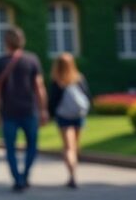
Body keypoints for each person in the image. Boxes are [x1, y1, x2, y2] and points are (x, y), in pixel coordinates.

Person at [0, 27, 48, 193]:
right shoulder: (32, 60)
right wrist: (43, 109)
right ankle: (25, 175)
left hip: (9, 111)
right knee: (32, 145)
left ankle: (18, 179)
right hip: (29, 109)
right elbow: (39, 87)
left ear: (6, 42)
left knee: (10, 148)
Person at [47, 53, 90, 189]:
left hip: (64, 116)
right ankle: (74, 168)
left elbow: (53, 102)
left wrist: (50, 114)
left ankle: (72, 174)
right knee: (75, 145)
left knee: (68, 147)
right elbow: (87, 96)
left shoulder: (57, 81)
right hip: (78, 115)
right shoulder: (79, 78)